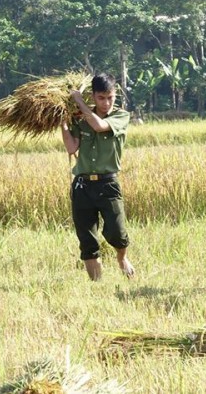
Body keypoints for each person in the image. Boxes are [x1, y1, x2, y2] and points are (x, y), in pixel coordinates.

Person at [60, 73, 135, 281]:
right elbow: (71, 147)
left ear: (115, 96)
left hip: (107, 184)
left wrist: (78, 103)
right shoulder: (81, 120)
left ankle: (122, 259)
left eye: (110, 97)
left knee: (118, 233)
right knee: (87, 238)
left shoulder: (120, 116)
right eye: (101, 98)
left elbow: (100, 126)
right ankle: (97, 284)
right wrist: (63, 122)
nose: (106, 102)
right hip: (82, 186)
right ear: (93, 96)